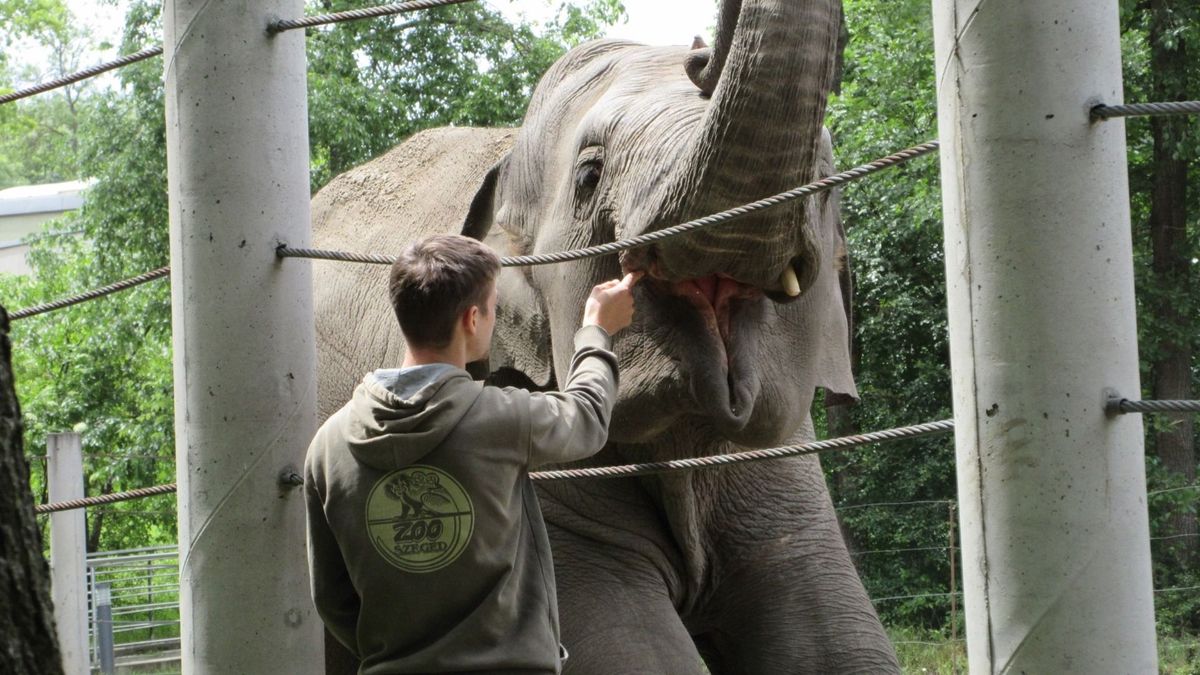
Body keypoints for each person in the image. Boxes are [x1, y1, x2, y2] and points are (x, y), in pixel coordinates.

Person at [304, 233, 640, 674]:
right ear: (472, 318)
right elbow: (587, 416)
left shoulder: (327, 446)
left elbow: (332, 600)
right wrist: (596, 330)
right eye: (495, 308)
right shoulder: (501, 419)